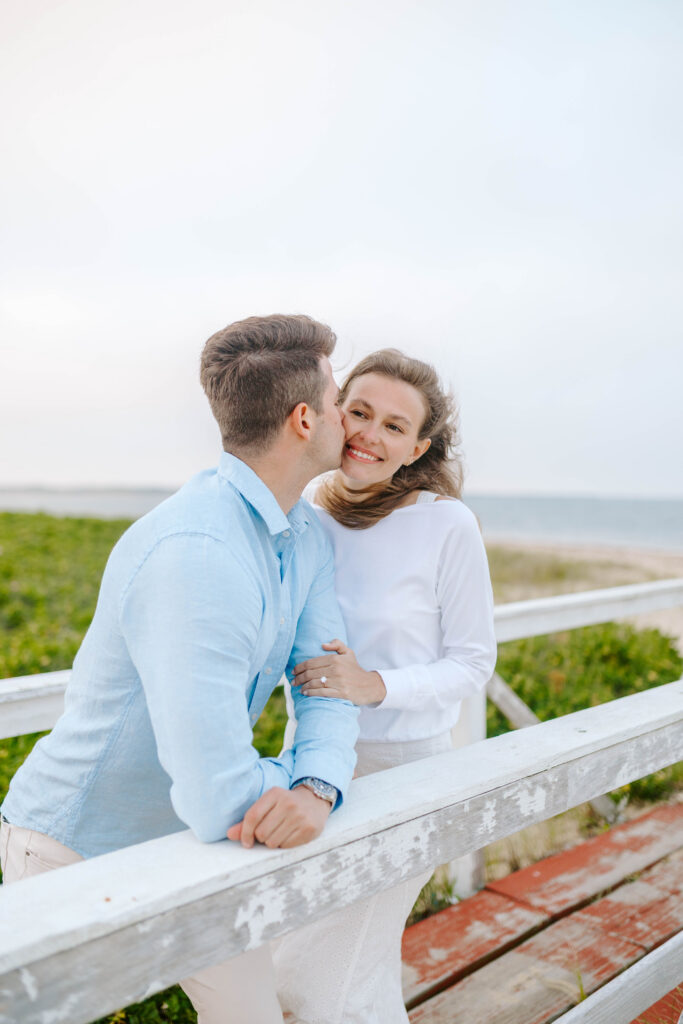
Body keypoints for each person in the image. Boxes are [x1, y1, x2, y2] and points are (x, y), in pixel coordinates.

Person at [0, 314, 360, 1024]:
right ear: (302, 418)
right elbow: (216, 791)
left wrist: (317, 785)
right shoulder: (197, 552)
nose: (347, 414)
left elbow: (329, 684)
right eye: (340, 396)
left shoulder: (307, 535)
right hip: (76, 849)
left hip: (197, 847)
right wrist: (280, 786)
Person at [274, 349, 497, 1024]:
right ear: (333, 412)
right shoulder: (311, 505)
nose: (370, 434)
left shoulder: (445, 524)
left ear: (417, 447)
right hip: (308, 762)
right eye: (360, 412)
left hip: (402, 769)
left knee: (325, 971)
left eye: (394, 427)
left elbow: (471, 662)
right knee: (307, 954)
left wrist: (375, 686)